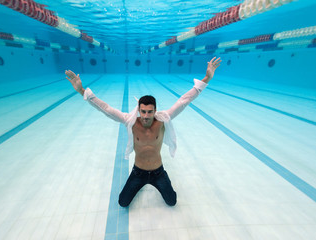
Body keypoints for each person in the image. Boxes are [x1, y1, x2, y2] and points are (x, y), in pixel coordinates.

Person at [65, 57, 221, 207]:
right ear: (138, 110)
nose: (146, 116)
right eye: (143, 111)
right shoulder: (130, 121)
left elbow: (184, 100)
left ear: (155, 110)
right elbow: (106, 109)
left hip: (158, 172)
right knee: (122, 202)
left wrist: (207, 78)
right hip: (138, 172)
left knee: (172, 202)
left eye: (150, 112)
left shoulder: (163, 119)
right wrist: (81, 90)